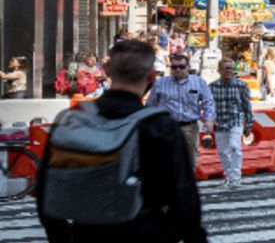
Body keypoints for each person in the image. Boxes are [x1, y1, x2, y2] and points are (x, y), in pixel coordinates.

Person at [36, 38, 207, 243]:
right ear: (151, 77)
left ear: (107, 70)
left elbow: (47, 190)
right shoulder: (159, 126)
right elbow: (184, 197)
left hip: (85, 234)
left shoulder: (71, 120)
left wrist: (62, 237)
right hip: (145, 232)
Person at [147, 51, 213, 157]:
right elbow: (150, 105)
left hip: (189, 127)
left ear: (188, 67)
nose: (178, 70)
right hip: (166, 127)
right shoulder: (160, 83)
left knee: (190, 159)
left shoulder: (198, 82)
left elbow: (208, 102)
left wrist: (209, 120)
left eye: (181, 67)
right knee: (166, 158)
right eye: (174, 67)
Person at [207, 59, 253, 190]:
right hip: (220, 122)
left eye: (231, 69)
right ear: (219, 70)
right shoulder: (212, 87)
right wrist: (209, 120)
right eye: (226, 69)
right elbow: (209, 106)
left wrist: (249, 124)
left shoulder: (241, 86)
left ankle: (235, 178)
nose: (229, 71)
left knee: (234, 146)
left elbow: (247, 106)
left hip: (235, 120)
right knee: (222, 151)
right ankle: (228, 176)